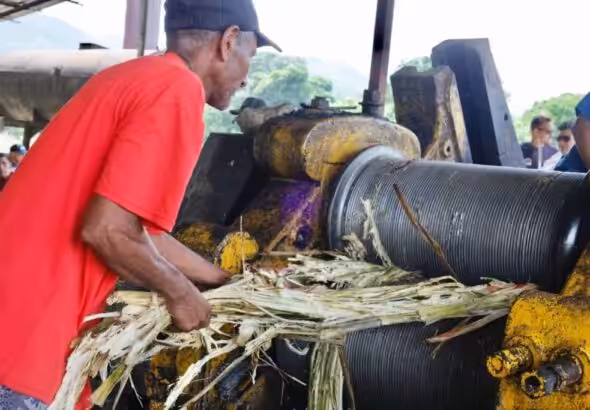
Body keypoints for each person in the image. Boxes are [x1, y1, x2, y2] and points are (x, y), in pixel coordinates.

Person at [0, 0, 279, 409]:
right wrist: (181, 294)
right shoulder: (176, 90)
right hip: (24, 342)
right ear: (229, 41)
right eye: (249, 57)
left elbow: (138, 230)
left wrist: (221, 280)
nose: (246, 77)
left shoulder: (134, 76)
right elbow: (107, 231)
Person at [554, 94, 590, 173]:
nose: (561, 142)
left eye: (566, 139)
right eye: (559, 139)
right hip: (572, 175)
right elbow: (582, 125)